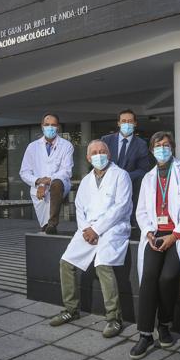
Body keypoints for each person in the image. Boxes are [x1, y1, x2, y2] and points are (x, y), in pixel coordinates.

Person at [129, 132, 180, 360]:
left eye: (166, 145)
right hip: (155, 233)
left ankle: (164, 325)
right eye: (158, 145)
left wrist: (175, 235)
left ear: (172, 148)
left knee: (168, 277)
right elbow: (140, 211)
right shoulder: (148, 178)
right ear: (152, 151)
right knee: (149, 276)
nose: (162, 148)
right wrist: (149, 233)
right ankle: (145, 334)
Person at [49, 140, 132, 338]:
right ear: (88, 158)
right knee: (66, 262)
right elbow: (79, 208)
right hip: (88, 230)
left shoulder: (121, 175)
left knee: (103, 264)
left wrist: (96, 229)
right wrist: (86, 228)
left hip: (113, 229)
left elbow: (120, 207)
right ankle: (71, 309)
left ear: (109, 154)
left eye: (102, 151)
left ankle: (114, 318)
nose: (98, 155)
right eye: (94, 152)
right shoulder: (86, 180)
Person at [20, 113, 74, 234]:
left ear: (58, 127)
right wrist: (39, 181)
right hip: (37, 188)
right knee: (44, 226)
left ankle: (53, 222)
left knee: (56, 184)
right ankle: (48, 226)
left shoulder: (66, 146)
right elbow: (24, 172)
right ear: (42, 126)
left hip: (59, 184)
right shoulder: (32, 147)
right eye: (47, 124)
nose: (50, 127)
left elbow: (66, 170)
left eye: (53, 125)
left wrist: (47, 181)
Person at [101, 109, 150, 225]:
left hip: (130, 182)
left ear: (135, 124)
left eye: (130, 121)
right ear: (118, 123)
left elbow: (143, 169)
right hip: (108, 182)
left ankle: (133, 222)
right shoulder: (106, 140)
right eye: (123, 121)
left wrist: (124, 177)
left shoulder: (141, 144)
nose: (126, 124)